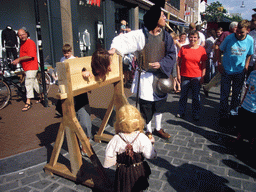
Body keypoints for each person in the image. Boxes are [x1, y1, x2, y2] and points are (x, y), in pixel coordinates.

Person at [109, 1, 176, 141]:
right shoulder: (141, 35)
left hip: (161, 77)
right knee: (147, 106)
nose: (165, 18)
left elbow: (171, 55)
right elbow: (123, 40)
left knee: (159, 104)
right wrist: (115, 48)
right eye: (162, 16)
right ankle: (149, 130)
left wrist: (162, 64)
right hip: (145, 77)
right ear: (155, 18)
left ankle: (158, 128)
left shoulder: (166, 37)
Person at [103, 99, 157, 192]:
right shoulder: (142, 137)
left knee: (123, 188)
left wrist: (114, 161)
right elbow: (150, 155)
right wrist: (151, 143)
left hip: (122, 172)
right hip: (138, 171)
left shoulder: (116, 138)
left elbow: (109, 156)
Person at [56, 44, 92, 155]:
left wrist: (87, 76)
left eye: (68, 53)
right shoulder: (62, 60)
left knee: (85, 123)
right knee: (72, 123)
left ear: (71, 51)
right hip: (67, 94)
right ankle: (77, 144)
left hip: (79, 94)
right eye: (65, 53)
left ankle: (86, 142)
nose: (66, 55)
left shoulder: (76, 60)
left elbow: (87, 70)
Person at [218, 20, 254, 125]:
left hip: (240, 71)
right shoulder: (229, 38)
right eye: (237, 31)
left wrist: (246, 66)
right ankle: (223, 115)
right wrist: (220, 63)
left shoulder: (250, 40)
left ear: (247, 31)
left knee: (236, 95)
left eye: (241, 32)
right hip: (227, 70)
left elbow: (249, 54)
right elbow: (220, 49)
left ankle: (233, 115)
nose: (238, 34)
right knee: (224, 94)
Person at [176, 30, 208, 121]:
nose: (192, 39)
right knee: (183, 95)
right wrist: (178, 74)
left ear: (198, 39)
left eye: (194, 37)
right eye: (191, 37)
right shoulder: (183, 48)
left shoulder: (202, 50)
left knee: (196, 96)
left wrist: (203, 76)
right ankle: (181, 111)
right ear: (188, 38)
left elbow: (204, 64)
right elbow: (178, 62)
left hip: (196, 76)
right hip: (185, 75)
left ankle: (195, 113)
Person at [203, 22, 238, 97]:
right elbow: (217, 45)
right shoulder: (226, 34)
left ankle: (207, 87)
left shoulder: (237, 35)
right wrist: (217, 57)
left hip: (233, 57)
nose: (237, 29)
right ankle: (229, 91)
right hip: (224, 56)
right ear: (231, 27)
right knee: (223, 73)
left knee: (223, 74)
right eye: (236, 27)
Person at [12, 28, 40, 112]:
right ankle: (43, 96)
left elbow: (30, 56)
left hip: (31, 66)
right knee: (34, 83)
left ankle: (28, 102)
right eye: (19, 35)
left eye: (23, 34)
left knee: (28, 83)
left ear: (26, 34)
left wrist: (18, 59)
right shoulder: (22, 43)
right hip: (27, 67)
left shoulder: (30, 43)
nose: (21, 36)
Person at [235, 69, 256, 150]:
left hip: (254, 109)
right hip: (246, 104)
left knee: (253, 128)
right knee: (242, 124)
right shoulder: (253, 73)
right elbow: (247, 89)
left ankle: (251, 143)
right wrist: (242, 101)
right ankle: (239, 139)